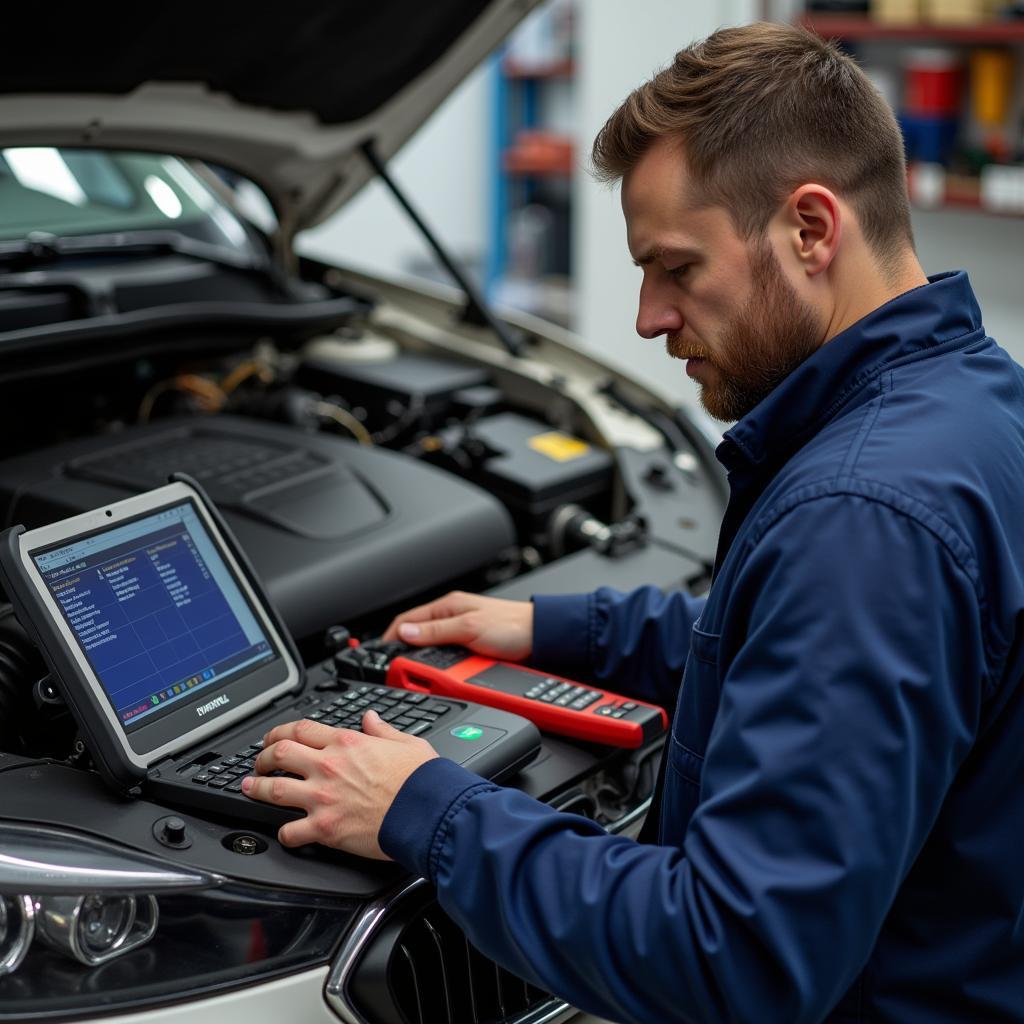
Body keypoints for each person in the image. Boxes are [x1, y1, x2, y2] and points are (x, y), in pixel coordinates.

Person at [241, 22, 1024, 1023]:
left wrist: (427, 808)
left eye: (677, 267)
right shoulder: (968, 401)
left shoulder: (862, 520)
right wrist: (551, 629)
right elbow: (781, 646)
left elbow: (733, 959)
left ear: (812, 230)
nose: (648, 317)